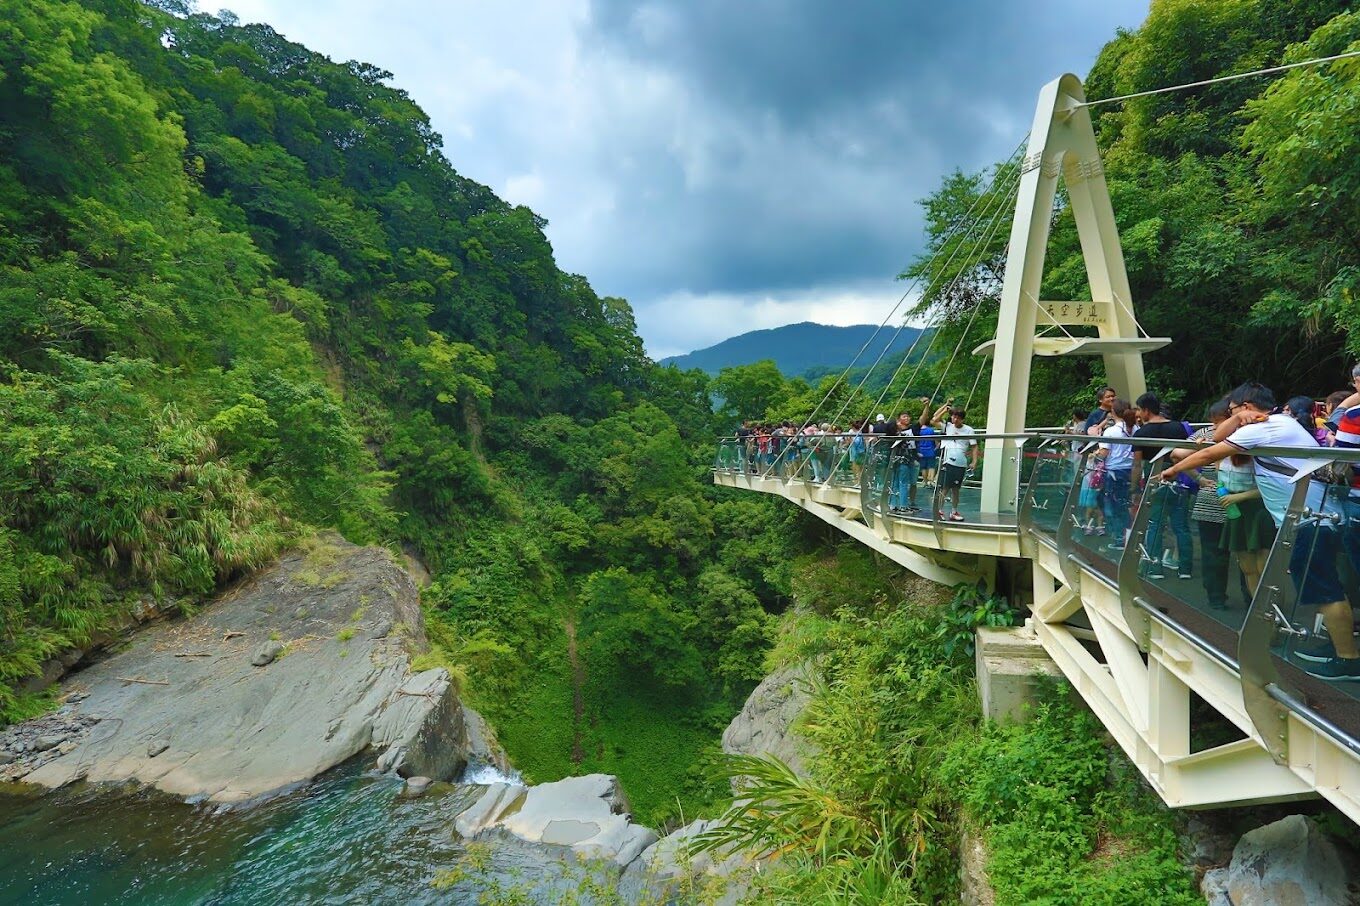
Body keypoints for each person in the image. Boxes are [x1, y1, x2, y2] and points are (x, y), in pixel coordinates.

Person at [1161, 381, 1359, 681]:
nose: (1230, 417)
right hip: (1316, 513)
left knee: (1325, 590)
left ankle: (1348, 660)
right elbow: (1220, 434)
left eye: (1233, 410)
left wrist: (1173, 470)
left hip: (1310, 518)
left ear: (1246, 406)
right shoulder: (1281, 423)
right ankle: (1337, 647)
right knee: (1326, 586)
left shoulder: (1264, 428)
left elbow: (1210, 451)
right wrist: (1239, 417)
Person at [1131, 393, 1192, 579]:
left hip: (1154, 480)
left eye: (1139, 410)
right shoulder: (1178, 428)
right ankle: (1185, 569)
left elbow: (1137, 464)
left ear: (1146, 410)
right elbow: (1186, 455)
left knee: (1155, 524)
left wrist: (1134, 488)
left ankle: (1154, 566)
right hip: (1178, 479)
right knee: (1181, 526)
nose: (1138, 414)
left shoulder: (1141, 433)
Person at [1179, 400, 1232, 609]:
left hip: (1209, 496)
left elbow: (1177, 455)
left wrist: (1199, 478)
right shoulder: (1241, 433)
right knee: (1247, 554)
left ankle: (1216, 597)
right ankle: (1251, 601)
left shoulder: (1205, 433)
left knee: (1212, 551)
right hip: (1239, 497)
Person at [1095, 399, 1136, 550]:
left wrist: (1095, 454)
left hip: (1114, 472)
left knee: (1114, 505)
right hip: (1132, 470)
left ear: (1113, 412)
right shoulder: (1135, 428)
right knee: (1127, 504)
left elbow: (1104, 453)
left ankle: (1120, 538)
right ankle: (1129, 537)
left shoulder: (1111, 431)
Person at [936, 406, 977, 522]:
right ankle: (939, 510)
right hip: (948, 460)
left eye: (958, 417)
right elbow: (934, 420)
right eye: (953, 417)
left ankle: (954, 511)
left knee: (956, 489)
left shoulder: (969, 430)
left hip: (961, 462)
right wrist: (944, 410)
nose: (955, 419)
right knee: (945, 487)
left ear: (962, 419)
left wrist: (974, 461)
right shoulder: (948, 426)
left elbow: (974, 446)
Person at [890, 412, 921, 513]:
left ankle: (894, 504)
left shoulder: (911, 429)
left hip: (907, 459)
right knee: (902, 482)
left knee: (899, 482)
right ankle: (902, 505)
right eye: (904, 417)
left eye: (908, 416)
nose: (907, 418)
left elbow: (922, 420)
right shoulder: (895, 431)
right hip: (902, 459)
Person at [916, 398, 939, 487]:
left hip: (921, 451)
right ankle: (931, 481)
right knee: (931, 466)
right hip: (930, 451)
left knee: (923, 467)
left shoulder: (918, 431)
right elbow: (935, 441)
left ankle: (925, 481)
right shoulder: (930, 430)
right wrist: (936, 448)